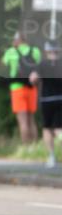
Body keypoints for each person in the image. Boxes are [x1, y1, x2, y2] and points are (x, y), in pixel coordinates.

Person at [2, 32, 41, 144]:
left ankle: (26, 147)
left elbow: (3, 65)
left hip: (17, 88)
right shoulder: (35, 51)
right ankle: (34, 147)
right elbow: (39, 67)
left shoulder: (11, 51)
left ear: (17, 40)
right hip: (32, 88)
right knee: (31, 119)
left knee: (22, 121)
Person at [29, 40, 62, 168]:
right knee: (59, 129)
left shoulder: (42, 64)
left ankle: (52, 157)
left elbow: (33, 79)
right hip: (60, 99)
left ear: (46, 51)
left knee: (47, 128)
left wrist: (35, 81)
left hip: (47, 100)